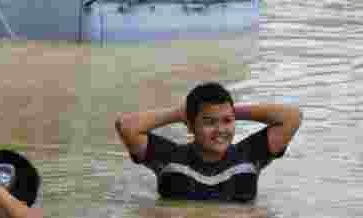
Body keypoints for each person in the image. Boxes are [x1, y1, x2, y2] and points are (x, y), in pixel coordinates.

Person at [115, 83, 303, 202]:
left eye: (227, 121)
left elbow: (293, 117)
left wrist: (232, 111)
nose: (220, 130)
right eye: (209, 122)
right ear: (190, 125)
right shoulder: (170, 159)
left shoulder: (249, 156)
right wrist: (179, 113)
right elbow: (126, 125)